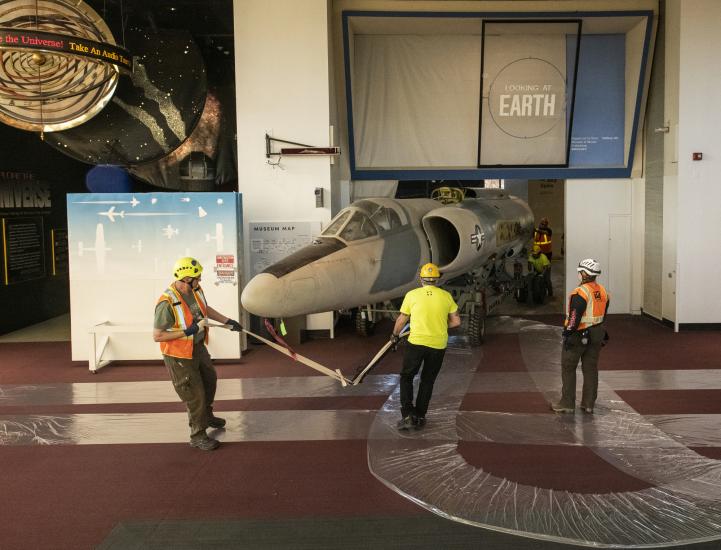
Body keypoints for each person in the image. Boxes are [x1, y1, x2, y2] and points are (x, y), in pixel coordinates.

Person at [153, 257, 243, 451]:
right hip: (179, 356)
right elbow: (158, 336)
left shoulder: (195, 290)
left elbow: (205, 309)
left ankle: (207, 416)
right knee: (195, 395)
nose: (200, 280)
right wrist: (188, 331)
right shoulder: (167, 303)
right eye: (197, 278)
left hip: (198, 347)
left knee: (210, 381)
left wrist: (228, 321)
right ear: (186, 279)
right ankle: (198, 435)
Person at [390, 262, 462, 430]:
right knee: (427, 380)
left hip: (416, 343)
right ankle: (420, 416)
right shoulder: (446, 296)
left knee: (407, 376)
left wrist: (394, 335)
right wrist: (440, 327)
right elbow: (456, 321)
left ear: (421, 279)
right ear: (437, 280)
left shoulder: (412, 295)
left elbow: (402, 319)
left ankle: (408, 414)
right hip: (438, 345)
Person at [551, 258, 610, 415]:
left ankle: (567, 404)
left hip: (579, 334)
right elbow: (603, 315)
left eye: (579, 272)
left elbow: (574, 317)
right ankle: (588, 404)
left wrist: (567, 333)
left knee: (568, 367)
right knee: (590, 368)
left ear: (584, 273)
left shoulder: (580, 293)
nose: (578, 274)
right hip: (597, 334)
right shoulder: (603, 291)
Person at [533, 218, 554, 296]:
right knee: (537, 273)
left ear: (546, 225)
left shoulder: (548, 231)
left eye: (543, 224)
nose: (541, 225)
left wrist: (535, 229)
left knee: (547, 275)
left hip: (547, 255)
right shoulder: (537, 231)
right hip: (537, 255)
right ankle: (539, 290)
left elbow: (543, 232)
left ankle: (550, 292)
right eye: (541, 223)